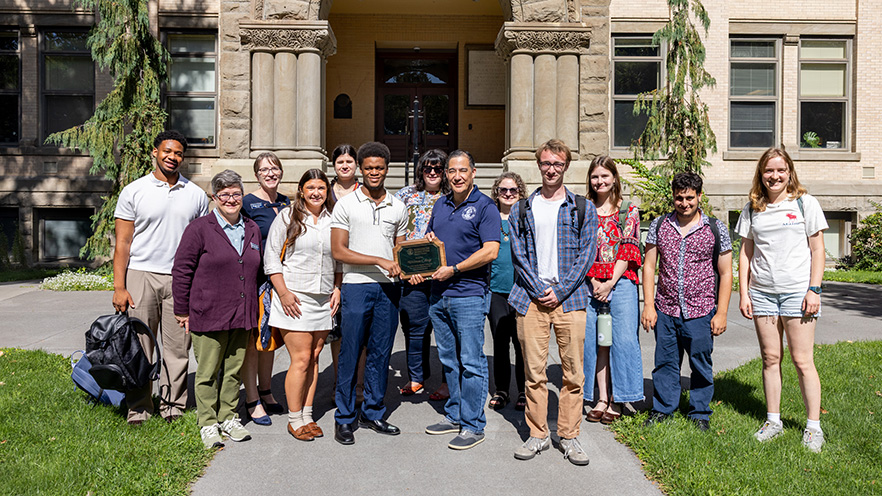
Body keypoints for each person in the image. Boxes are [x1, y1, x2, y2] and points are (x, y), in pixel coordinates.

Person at [508, 139, 597, 466]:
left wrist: (559, 292)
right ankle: (538, 434)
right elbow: (518, 253)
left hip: (570, 301)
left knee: (573, 374)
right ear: (539, 164)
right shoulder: (523, 208)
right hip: (530, 301)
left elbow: (587, 255)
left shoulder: (582, 208)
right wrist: (537, 287)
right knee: (534, 373)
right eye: (546, 163)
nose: (551, 169)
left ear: (565, 166)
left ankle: (570, 437)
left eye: (557, 164)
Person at [112, 130, 209, 425]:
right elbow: (123, 243)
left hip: (181, 279)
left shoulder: (196, 195)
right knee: (141, 345)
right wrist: (119, 286)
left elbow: (202, 245)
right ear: (154, 152)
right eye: (167, 151)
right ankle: (139, 408)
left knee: (179, 348)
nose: (173, 157)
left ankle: (172, 406)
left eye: (179, 153)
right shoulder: (134, 191)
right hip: (141, 275)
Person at [735, 147, 828, 452]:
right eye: (768, 171)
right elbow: (745, 253)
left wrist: (814, 290)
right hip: (762, 293)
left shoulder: (805, 203)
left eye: (780, 170)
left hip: (797, 293)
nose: (774, 176)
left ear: (789, 172)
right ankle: (773, 421)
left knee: (802, 361)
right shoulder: (752, 208)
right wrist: (745, 292)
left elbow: (817, 251)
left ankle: (813, 427)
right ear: (760, 175)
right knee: (770, 359)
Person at [411, 149, 500, 451]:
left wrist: (456, 269)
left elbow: (490, 251)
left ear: (474, 173)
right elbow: (432, 241)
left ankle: (474, 425)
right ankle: (455, 414)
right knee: (448, 360)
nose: (457, 176)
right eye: (452, 171)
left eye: (463, 170)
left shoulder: (485, 206)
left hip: (469, 296)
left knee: (471, 362)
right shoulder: (441, 205)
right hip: (440, 296)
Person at [172, 170, 260, 449]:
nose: (231, 199)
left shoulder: (252, 228)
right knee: (208, 372)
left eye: (236, 193)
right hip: (208, 311)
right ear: (214, 197)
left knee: (233, 371)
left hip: (242, 312)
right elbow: (182, 270)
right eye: (224, 194)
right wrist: (182, 310)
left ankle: (228, 417)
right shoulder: (200, 228)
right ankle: (208, 422)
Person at [641, 171, 732, 432]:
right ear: (673, 197)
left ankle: (700, 412)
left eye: (690, 198)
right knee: (666, 364)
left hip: (701, 310)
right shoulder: (659, 225)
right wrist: (648, 304)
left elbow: (726, 272)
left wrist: (721, 312)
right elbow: (649, 267)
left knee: (700, 363)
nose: (684, 203)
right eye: (679, 198)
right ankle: (663, 409)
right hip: (666, 309)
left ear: (699, 196)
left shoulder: (715, 228)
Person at [330, 141, 407, 445]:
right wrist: (377, 259)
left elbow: (399, 252)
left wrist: (414, 262)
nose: (374, 172)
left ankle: (373, 411)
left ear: (387, 170)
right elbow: (339, 250)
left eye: (380, 168)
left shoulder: (398, 206)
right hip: (356, 286)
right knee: (350, 352)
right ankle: (345, 418)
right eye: (369, 168)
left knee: (380, 352)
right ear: (360, 170)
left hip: (388, 289)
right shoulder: (346, 205)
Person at [264, 169, 341, 442]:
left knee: (317, 356)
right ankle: (294, 419)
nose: (316, 193)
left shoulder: (334, 219)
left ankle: (308, 414)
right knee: (302, 358)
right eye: (311, 188)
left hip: (323, 298)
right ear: (301, 190)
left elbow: (339, 259)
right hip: (294, 297)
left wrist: (337, 288)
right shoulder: (287, 216)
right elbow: (272, 258)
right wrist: (283, 292)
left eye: (321, 188)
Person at [583, 156, 643, 425]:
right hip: (589, 285)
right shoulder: (583, 210)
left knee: (623, 339)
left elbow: (629, 248)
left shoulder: (627, 210)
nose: (600, 181)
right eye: (595, 177)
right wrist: (594, 281)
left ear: (614, 178)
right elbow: (578, 250)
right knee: (595, 342)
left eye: (605, 176)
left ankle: (621, 397)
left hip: (621, 284)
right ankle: (601, 398)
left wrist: (609, 283)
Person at [395, 149, 450, 397]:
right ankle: (416, 377)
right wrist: (406, 270)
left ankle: (448, 382)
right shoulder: (406, 195)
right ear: (420, 170)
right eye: (427, 168)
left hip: (445, 274)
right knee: (414, 327)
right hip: (412, 275)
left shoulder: (452, 196)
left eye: (438, 169)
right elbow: (394, 229)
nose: (432, 173)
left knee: (447, 331)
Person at [241, 152, 290, 425]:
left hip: (278, 279)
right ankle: (251, 399)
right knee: (251, 341)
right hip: (254, 281)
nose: (270, 173)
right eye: (264, 170)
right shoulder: (247, 203)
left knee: (268, 339)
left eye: (274, 169)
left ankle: (266, 391)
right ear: (256, 174)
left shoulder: (285, 202)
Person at [487, 172, 527, 411]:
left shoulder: (526, 218)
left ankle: (523, 391)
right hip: (497, 290)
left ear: (520, 192)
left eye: (513, 190)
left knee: (522, 343)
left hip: (522, 290)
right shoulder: (490, 219)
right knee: (500, 343)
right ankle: (502, 390)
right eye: (504, 190)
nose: (509, 194)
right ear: (497, 193)